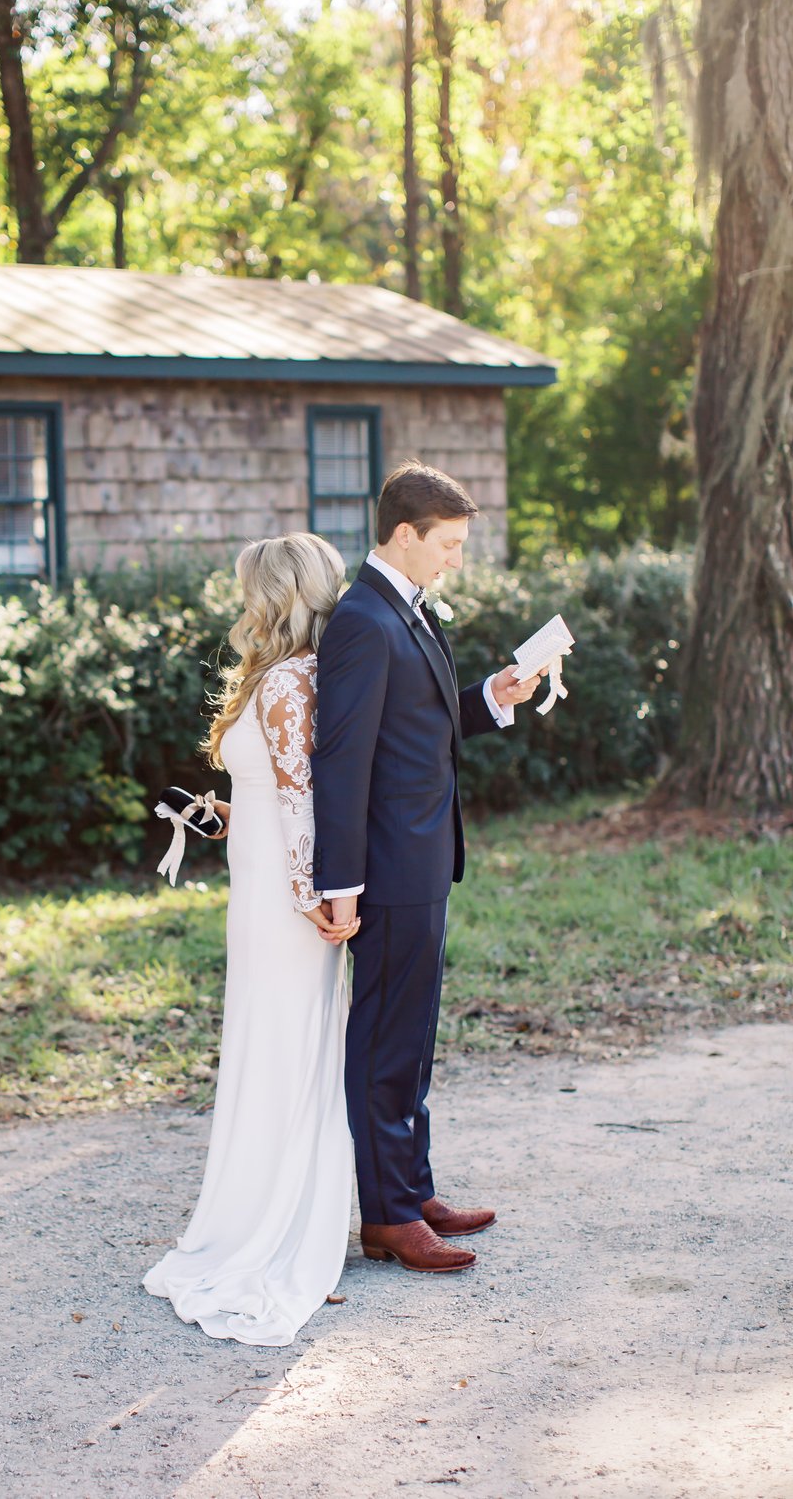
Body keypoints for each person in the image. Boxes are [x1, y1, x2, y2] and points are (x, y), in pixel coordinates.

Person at [312, 462, 541, 1273]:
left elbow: (425, 728)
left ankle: (412, 1188)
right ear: (404, 535)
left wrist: (496, 695)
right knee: (382, 1041)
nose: (453, 559)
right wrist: (338, 883)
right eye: (446, 544)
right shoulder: (361, 622)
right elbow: (340, 763)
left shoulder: (408, 610)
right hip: (384, 868)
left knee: (413, 1039)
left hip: (428, 860)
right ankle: (387, 1217)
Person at [144, 533, 357, 1347]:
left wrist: (315, 898)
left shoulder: (293, 679)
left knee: (287, 1044)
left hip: (285, 896)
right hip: (259, 879)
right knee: (266, 1042)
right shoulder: (276, 676)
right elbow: (273, 797)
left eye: (249, 588)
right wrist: (219, 813)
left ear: (275, 592)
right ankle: (253, 1204)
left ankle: (277, 1220)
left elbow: (306, 800)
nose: (242, 602)